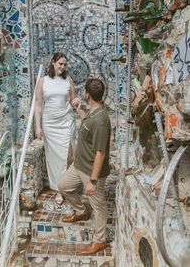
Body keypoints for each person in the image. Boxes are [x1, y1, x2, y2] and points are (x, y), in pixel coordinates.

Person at [58, 78, 111, 255]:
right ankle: (81, 211)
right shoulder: (94, 113)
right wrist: (79, 110)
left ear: (87, 95)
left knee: (98, 205)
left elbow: (100, 153)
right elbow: (88, 126)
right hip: (79, 165)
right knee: (64, 186)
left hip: (91, 172)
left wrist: (93, 181)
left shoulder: (102, 121)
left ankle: (99, 241)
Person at [35, 52, 78, 205]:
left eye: (65, 64)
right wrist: (38, 126)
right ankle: (59, 190)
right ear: (53, 63)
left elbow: (73, 99)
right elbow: (38, 106)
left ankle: (66, 187)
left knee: (66, 156)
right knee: (53, 158)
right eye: (60, 63)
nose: (62, 66)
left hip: (65, 121)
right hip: (50, 124)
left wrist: (76, 101)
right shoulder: (43, 81)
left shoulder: (68, 81)